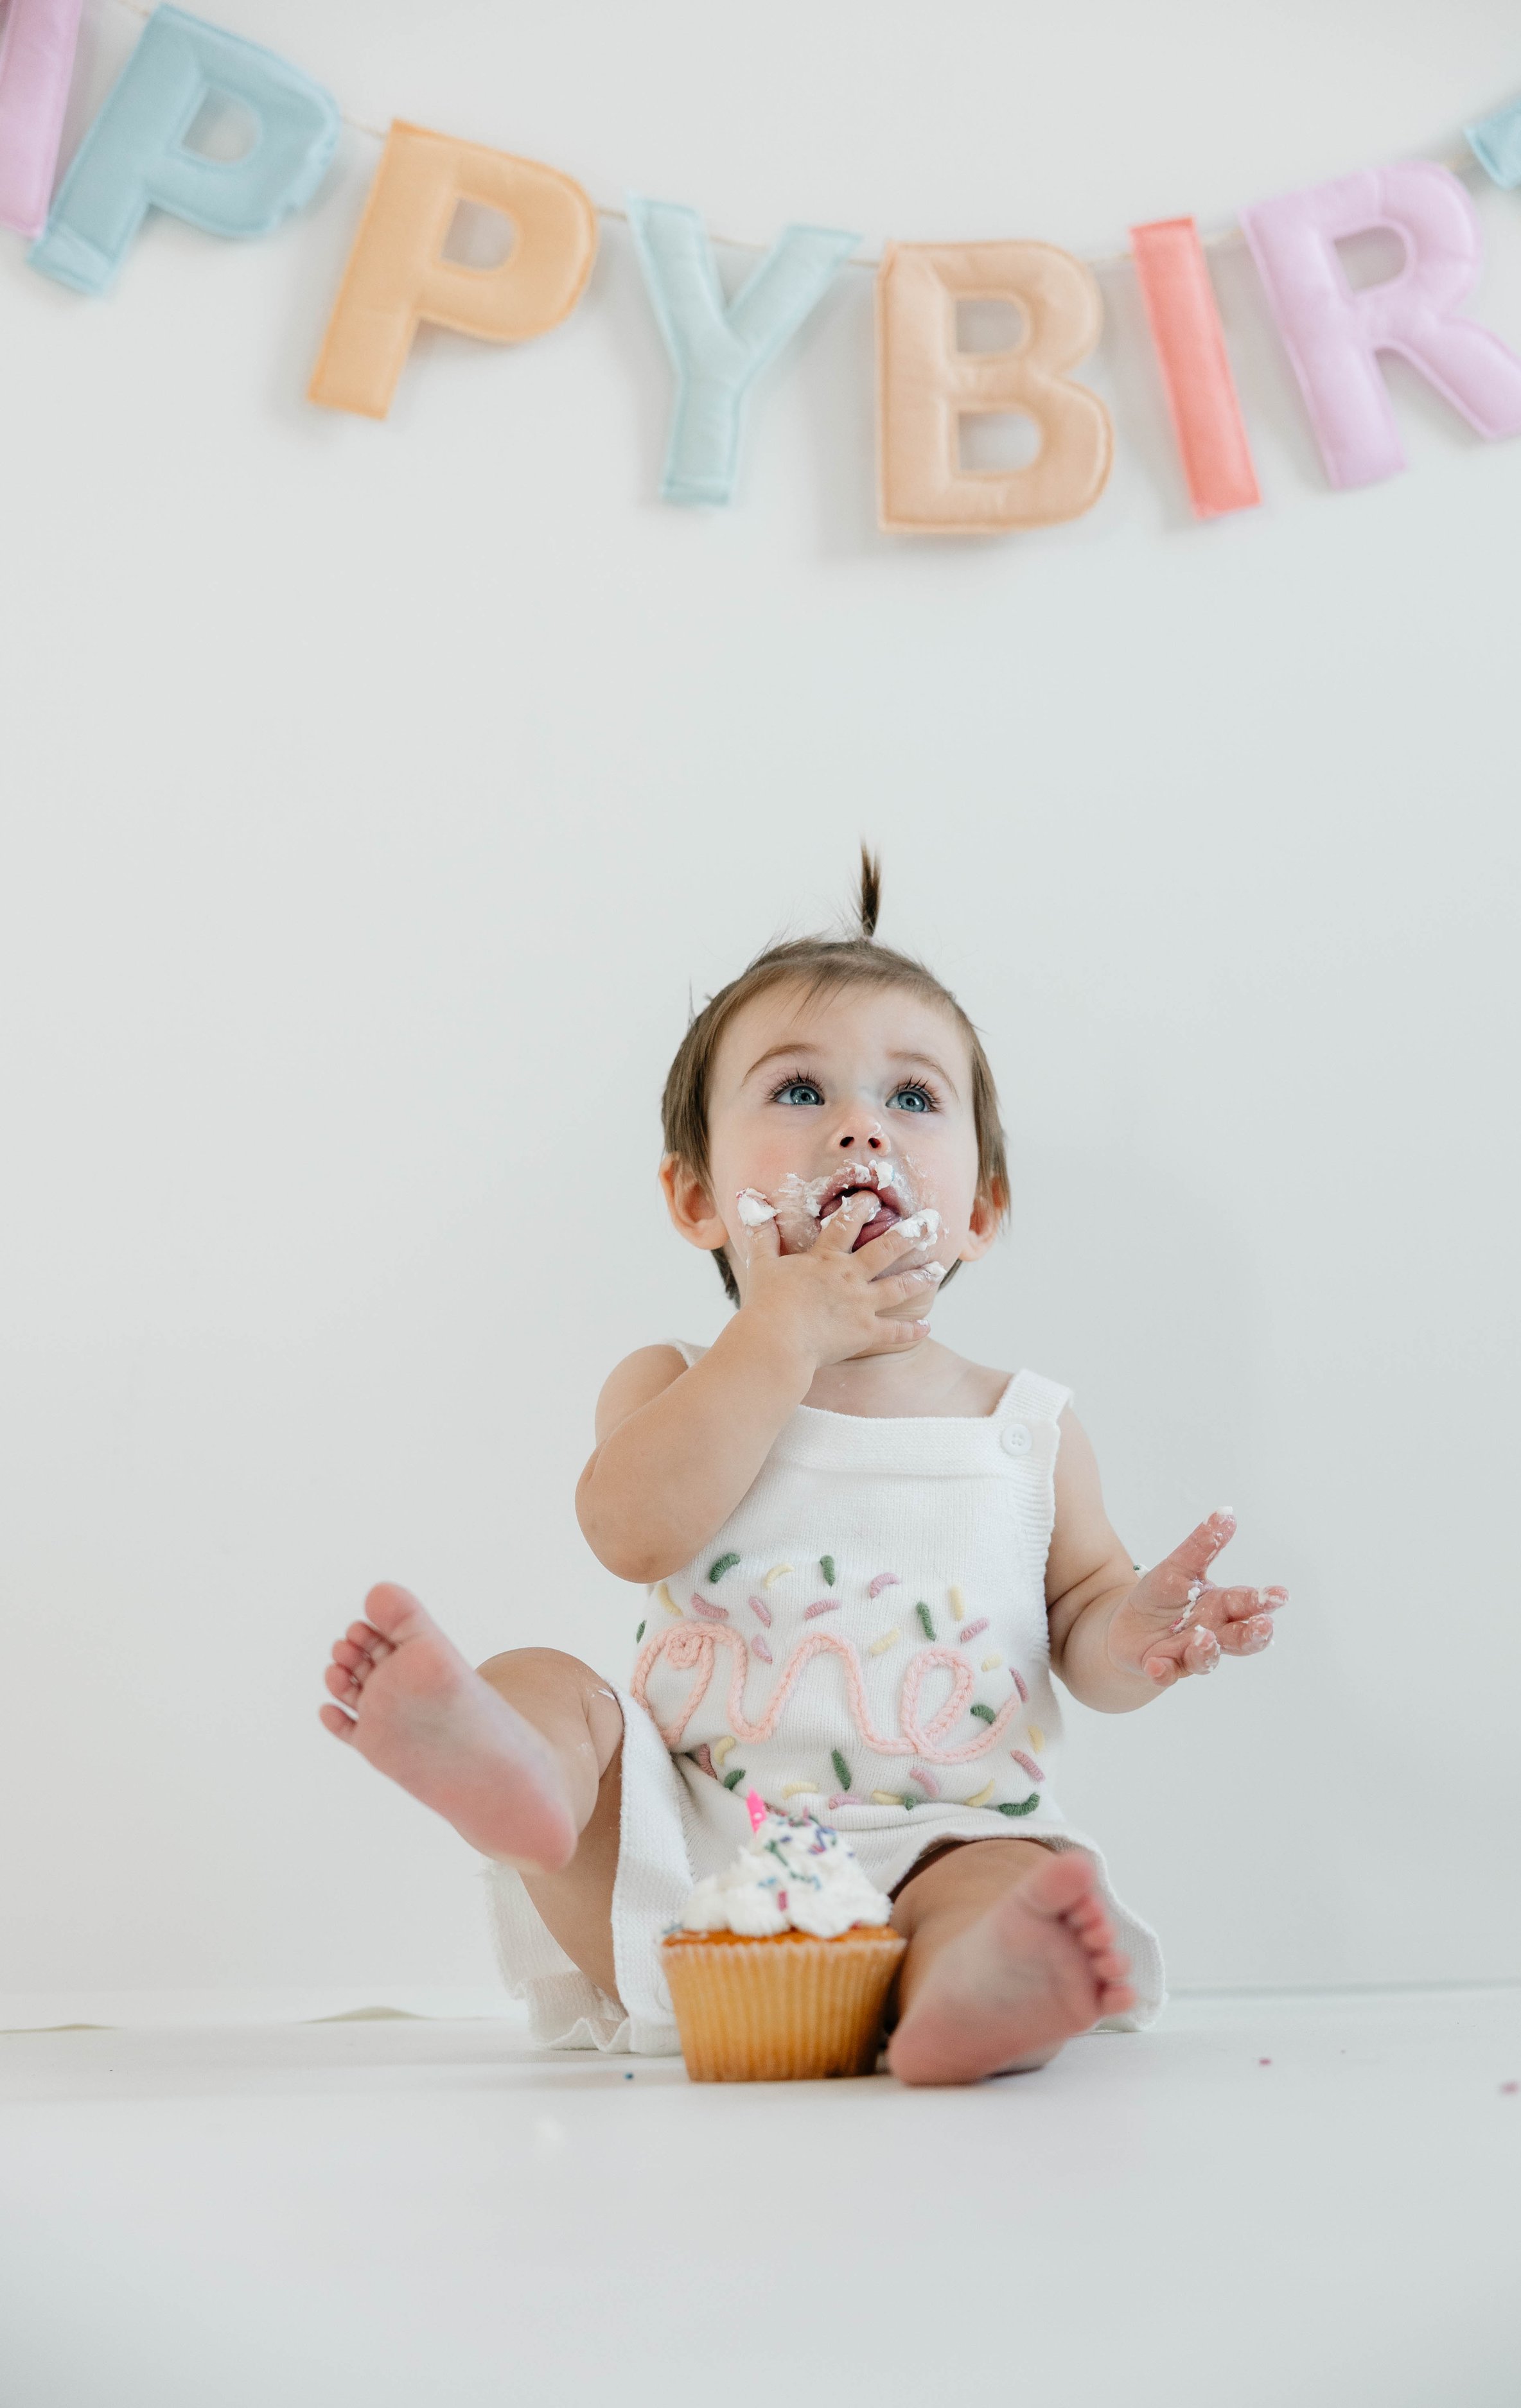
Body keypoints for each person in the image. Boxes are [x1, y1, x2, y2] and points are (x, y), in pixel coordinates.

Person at [319, 851, 1285, 2083]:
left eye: (916, 1098)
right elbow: (630, 1531)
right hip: (689, 1857)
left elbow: (1084, 1623)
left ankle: (971, 1988)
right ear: (696, 1197)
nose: (860, 1125)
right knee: (543, 1681)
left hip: (940, 1834)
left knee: (1017, 1879)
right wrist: (780, 1329)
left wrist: (1134, 1628)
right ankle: (522, 1784)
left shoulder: (1023, 1429)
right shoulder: (675, 1380)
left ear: (981, 1207)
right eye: (797, 1089)